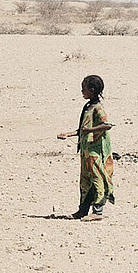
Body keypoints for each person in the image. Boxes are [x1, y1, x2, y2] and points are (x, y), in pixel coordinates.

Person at [57, 74, 114, 220]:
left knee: (97, 179)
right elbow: (82, 129)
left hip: (95, 151)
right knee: (85, 181)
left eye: (84, 89)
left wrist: (91, 131)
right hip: (86, 152)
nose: (82, 91)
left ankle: (97, 212)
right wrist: (67, 134)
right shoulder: (88, 107)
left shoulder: (97, 108)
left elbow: (107, 125)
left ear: (92, 90)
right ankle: (82, 211)